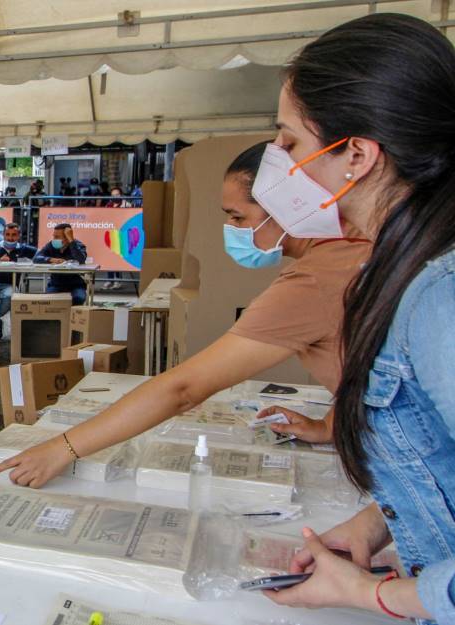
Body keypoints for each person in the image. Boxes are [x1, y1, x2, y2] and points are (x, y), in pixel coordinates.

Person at [239, 15, 455, 623]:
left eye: (289, 142)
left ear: (356, 154)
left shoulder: (441, 294)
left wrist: (373, 595)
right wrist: (377, 524)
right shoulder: (411, 266)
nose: (277, 164)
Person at [0, 141, 372, 485]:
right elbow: (365, 368)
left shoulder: (315, 280)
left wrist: (61, 449)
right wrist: (330, 427)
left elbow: (184, 389)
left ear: (289, 205)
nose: (230, 230)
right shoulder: (354, 252)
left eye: (238, 218)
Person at [34, 223, 88, 304]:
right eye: (54, 236)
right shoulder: (51, 245)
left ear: (67, 237)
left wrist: (71, 241)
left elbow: (81, 259)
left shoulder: (78, 245)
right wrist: (50, 259)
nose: (54, 239)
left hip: (76, 285)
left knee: (79, 298)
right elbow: (36, 258)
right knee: (47, 301)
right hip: (56, 284)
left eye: (57, 237)